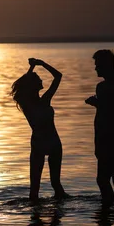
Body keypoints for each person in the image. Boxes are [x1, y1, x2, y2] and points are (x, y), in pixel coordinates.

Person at [11, 58, 67, 201]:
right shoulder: (28, 103)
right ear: (33, 85)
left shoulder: (41, 100)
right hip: (42, 143)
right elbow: (23, 83)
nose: (42, 80)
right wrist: (37, 66)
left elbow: (58, 77)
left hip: (52, 143)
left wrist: (37, 66)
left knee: (55, 185)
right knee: (35, 189)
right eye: (39, 79)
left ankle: (55, 216)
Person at [85, 49, 114, 206]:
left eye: (98, 64)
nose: (95, 68)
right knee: (104, 180)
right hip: (104, 138)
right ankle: (110, 211)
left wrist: (98, 104)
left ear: (106, 65)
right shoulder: (101, 87)